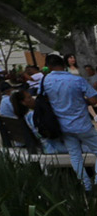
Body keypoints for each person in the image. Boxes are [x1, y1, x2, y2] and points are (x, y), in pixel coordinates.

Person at [39, 52, 97, 190]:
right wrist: (82, 101)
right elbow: (94, 100)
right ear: (64, 64)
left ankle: (86, 185)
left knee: (75, 155)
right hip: (82, 124)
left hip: (62, 126)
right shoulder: (77, 80)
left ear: (48, 66)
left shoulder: (45, 81)